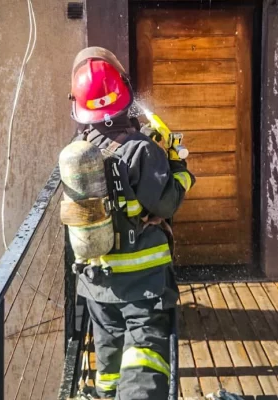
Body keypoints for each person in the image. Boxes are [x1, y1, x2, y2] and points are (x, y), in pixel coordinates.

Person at [69, 47, 195, 400]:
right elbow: (166, 203)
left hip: (97, 279)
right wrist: (178, 167)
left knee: (108, 351)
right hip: (143, 281)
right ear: (124, 94)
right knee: (144, 356)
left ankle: (105, 393)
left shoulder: (80, 149)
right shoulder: (141, 149)